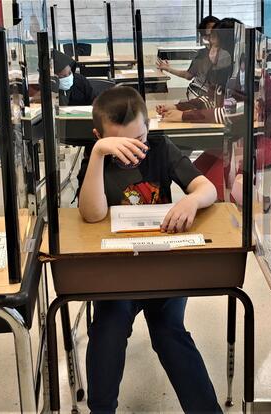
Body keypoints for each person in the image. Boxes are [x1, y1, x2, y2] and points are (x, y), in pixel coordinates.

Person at [77, 86, 220, 413]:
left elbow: (205, 187)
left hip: (161, 266)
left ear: (148, 129)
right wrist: (99, 154)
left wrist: (191, 200)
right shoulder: (97, 157)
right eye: (124, 144)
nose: (136, 150)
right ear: (99, 136)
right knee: (108, 329)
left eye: (140, 138)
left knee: (169, 332)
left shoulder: (159, 147)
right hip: (117, 270)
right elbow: (92, 213)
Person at [157, 18, 237, 124]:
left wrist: (184, 116)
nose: (211, 51)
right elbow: (211, 100)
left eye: (215, 46)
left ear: (229, 49)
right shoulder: (221, 72)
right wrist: (177, 107)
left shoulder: (239, 78)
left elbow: (231, 113)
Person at [156, 15, 220, 99]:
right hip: (199, 90)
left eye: (216, 33)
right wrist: (168, 69)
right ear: (205, 37)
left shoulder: (227, 52)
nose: (213, 37)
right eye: (210, 34)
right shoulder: (202, 54)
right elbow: (188, 75)